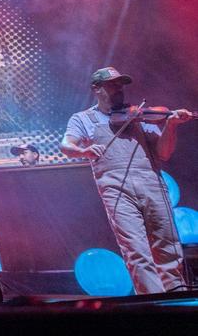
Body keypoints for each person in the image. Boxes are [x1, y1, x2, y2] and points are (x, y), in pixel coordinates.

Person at [59, 66, 194, 294]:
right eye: (112, 84)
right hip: (116, 189)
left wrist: (170, 125)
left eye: (120, 84)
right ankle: (152, 303)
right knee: (136, 250)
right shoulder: (83, 118)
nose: (119, 89)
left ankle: (176, 298)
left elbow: (163, 153)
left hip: (152, 183)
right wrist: (84, 151)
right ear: (97, 89)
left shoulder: (138, 115)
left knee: (167, 245)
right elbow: (66, 146)